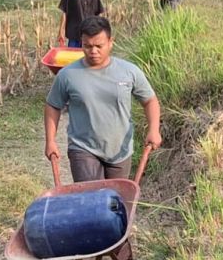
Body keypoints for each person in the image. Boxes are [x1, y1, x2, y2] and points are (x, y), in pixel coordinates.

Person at [44, 16, 162, 183]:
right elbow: (53, 106)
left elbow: (150, 100)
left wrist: (154, 129)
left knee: (116, 203)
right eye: (87, 46)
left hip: (120, 150)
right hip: (83, 148)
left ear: (110, 42)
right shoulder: (68, 75)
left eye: (99, 46)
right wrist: (50, 140)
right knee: (92, 200)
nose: (93, 51)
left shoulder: (128, 72)